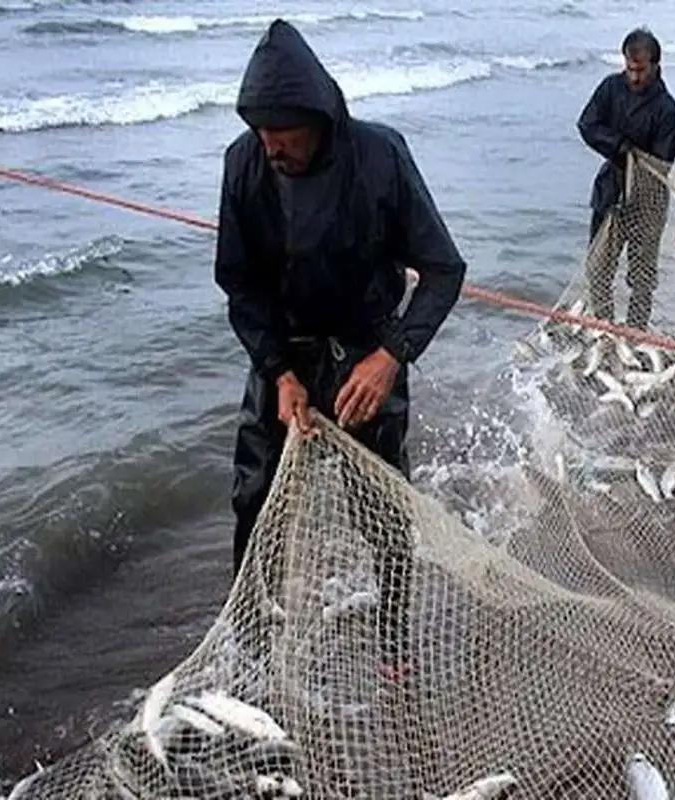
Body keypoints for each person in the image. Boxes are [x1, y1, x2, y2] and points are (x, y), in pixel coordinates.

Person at [214, 19, 468, 683]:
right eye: (261, 132)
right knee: (254, 500)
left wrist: (392, 354)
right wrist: (277, 371)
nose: (271, 147)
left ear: (320, 118)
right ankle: (252, 638)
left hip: (365, 355)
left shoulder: (380, 158)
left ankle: (392, 642)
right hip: (286, 357)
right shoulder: (243, 165)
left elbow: (443, 270)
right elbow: (239, 283)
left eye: (284, 133)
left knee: (382, 514)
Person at [577, 27, 675, 330]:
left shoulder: (668, 111)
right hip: (610, 191)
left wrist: (634, 155)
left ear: (656, 66)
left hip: (647, 201)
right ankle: (603, 328)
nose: (634, 77)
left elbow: (660, 163)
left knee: (642, 277)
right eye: (629, 69)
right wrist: (619, 146)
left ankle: (636, 333)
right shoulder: (611, 88)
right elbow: (587, 124)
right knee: (598, 270)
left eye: (641, 70)